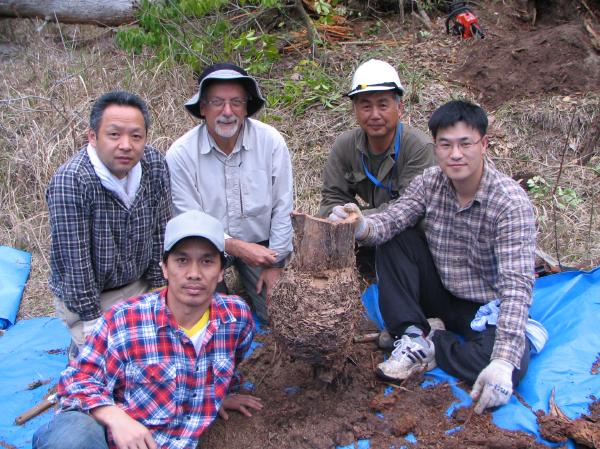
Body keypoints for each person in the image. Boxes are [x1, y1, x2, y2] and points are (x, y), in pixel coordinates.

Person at [338, 100, 538, 414]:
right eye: (445, 145)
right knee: (397, 238)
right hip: (441, 289)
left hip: (482, 306)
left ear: (483, 144)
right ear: (436, 147)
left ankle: (433, 345)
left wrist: (502, 361)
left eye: (465, 144)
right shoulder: (430, 183)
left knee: (508, 364)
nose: (455, 154)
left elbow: (517, 285)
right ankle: (412, 333)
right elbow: (392, 220)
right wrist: (361, 225)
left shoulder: (509, 202)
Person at [33, 210, 262, 449]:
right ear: (164, 268)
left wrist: (218, 395)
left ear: (221, 272)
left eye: (206, 261)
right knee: (72, 437)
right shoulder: (125, 320)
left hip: (182, 440)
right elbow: (75, 382)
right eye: (182, 260)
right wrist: (115, 417)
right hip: (124, 442)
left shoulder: (235, 318)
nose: (194, 274)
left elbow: (233, 360)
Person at [47, 91, 172, 359]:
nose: (126, 145)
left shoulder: (154, 165)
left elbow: (161, 231)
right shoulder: (72, 181)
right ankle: (79, 346)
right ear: (93, 136)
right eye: (114, 135)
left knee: (160, 353)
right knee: (111, 368)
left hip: (138, 283)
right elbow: (75, 263)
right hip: (91, 296)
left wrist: (161, 289)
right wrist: (92, 322)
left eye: (136, 136)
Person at [166, 63, 293, 322]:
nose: (227, 112)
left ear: (246, 107)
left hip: (262, 246)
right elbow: (190, 223)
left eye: (236, 102)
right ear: (202, 108)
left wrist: (276, 264)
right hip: (204, 248)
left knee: (280, 315)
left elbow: (284, 207)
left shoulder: (271, 142)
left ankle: (254, 287)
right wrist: (236, 247)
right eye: (217, 102)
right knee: (204, 318)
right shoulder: (180, 155)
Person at [318, 59, 434, 274]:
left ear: (400, 107)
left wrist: (360, 221)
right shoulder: (345, 146)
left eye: (383, 105)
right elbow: (331, 198)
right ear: (355, 109)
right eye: (365, 106)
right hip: (365, 234)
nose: (374, 115)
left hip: (411, 239)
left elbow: (413, 210)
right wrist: (340, 217)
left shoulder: (419, 148)